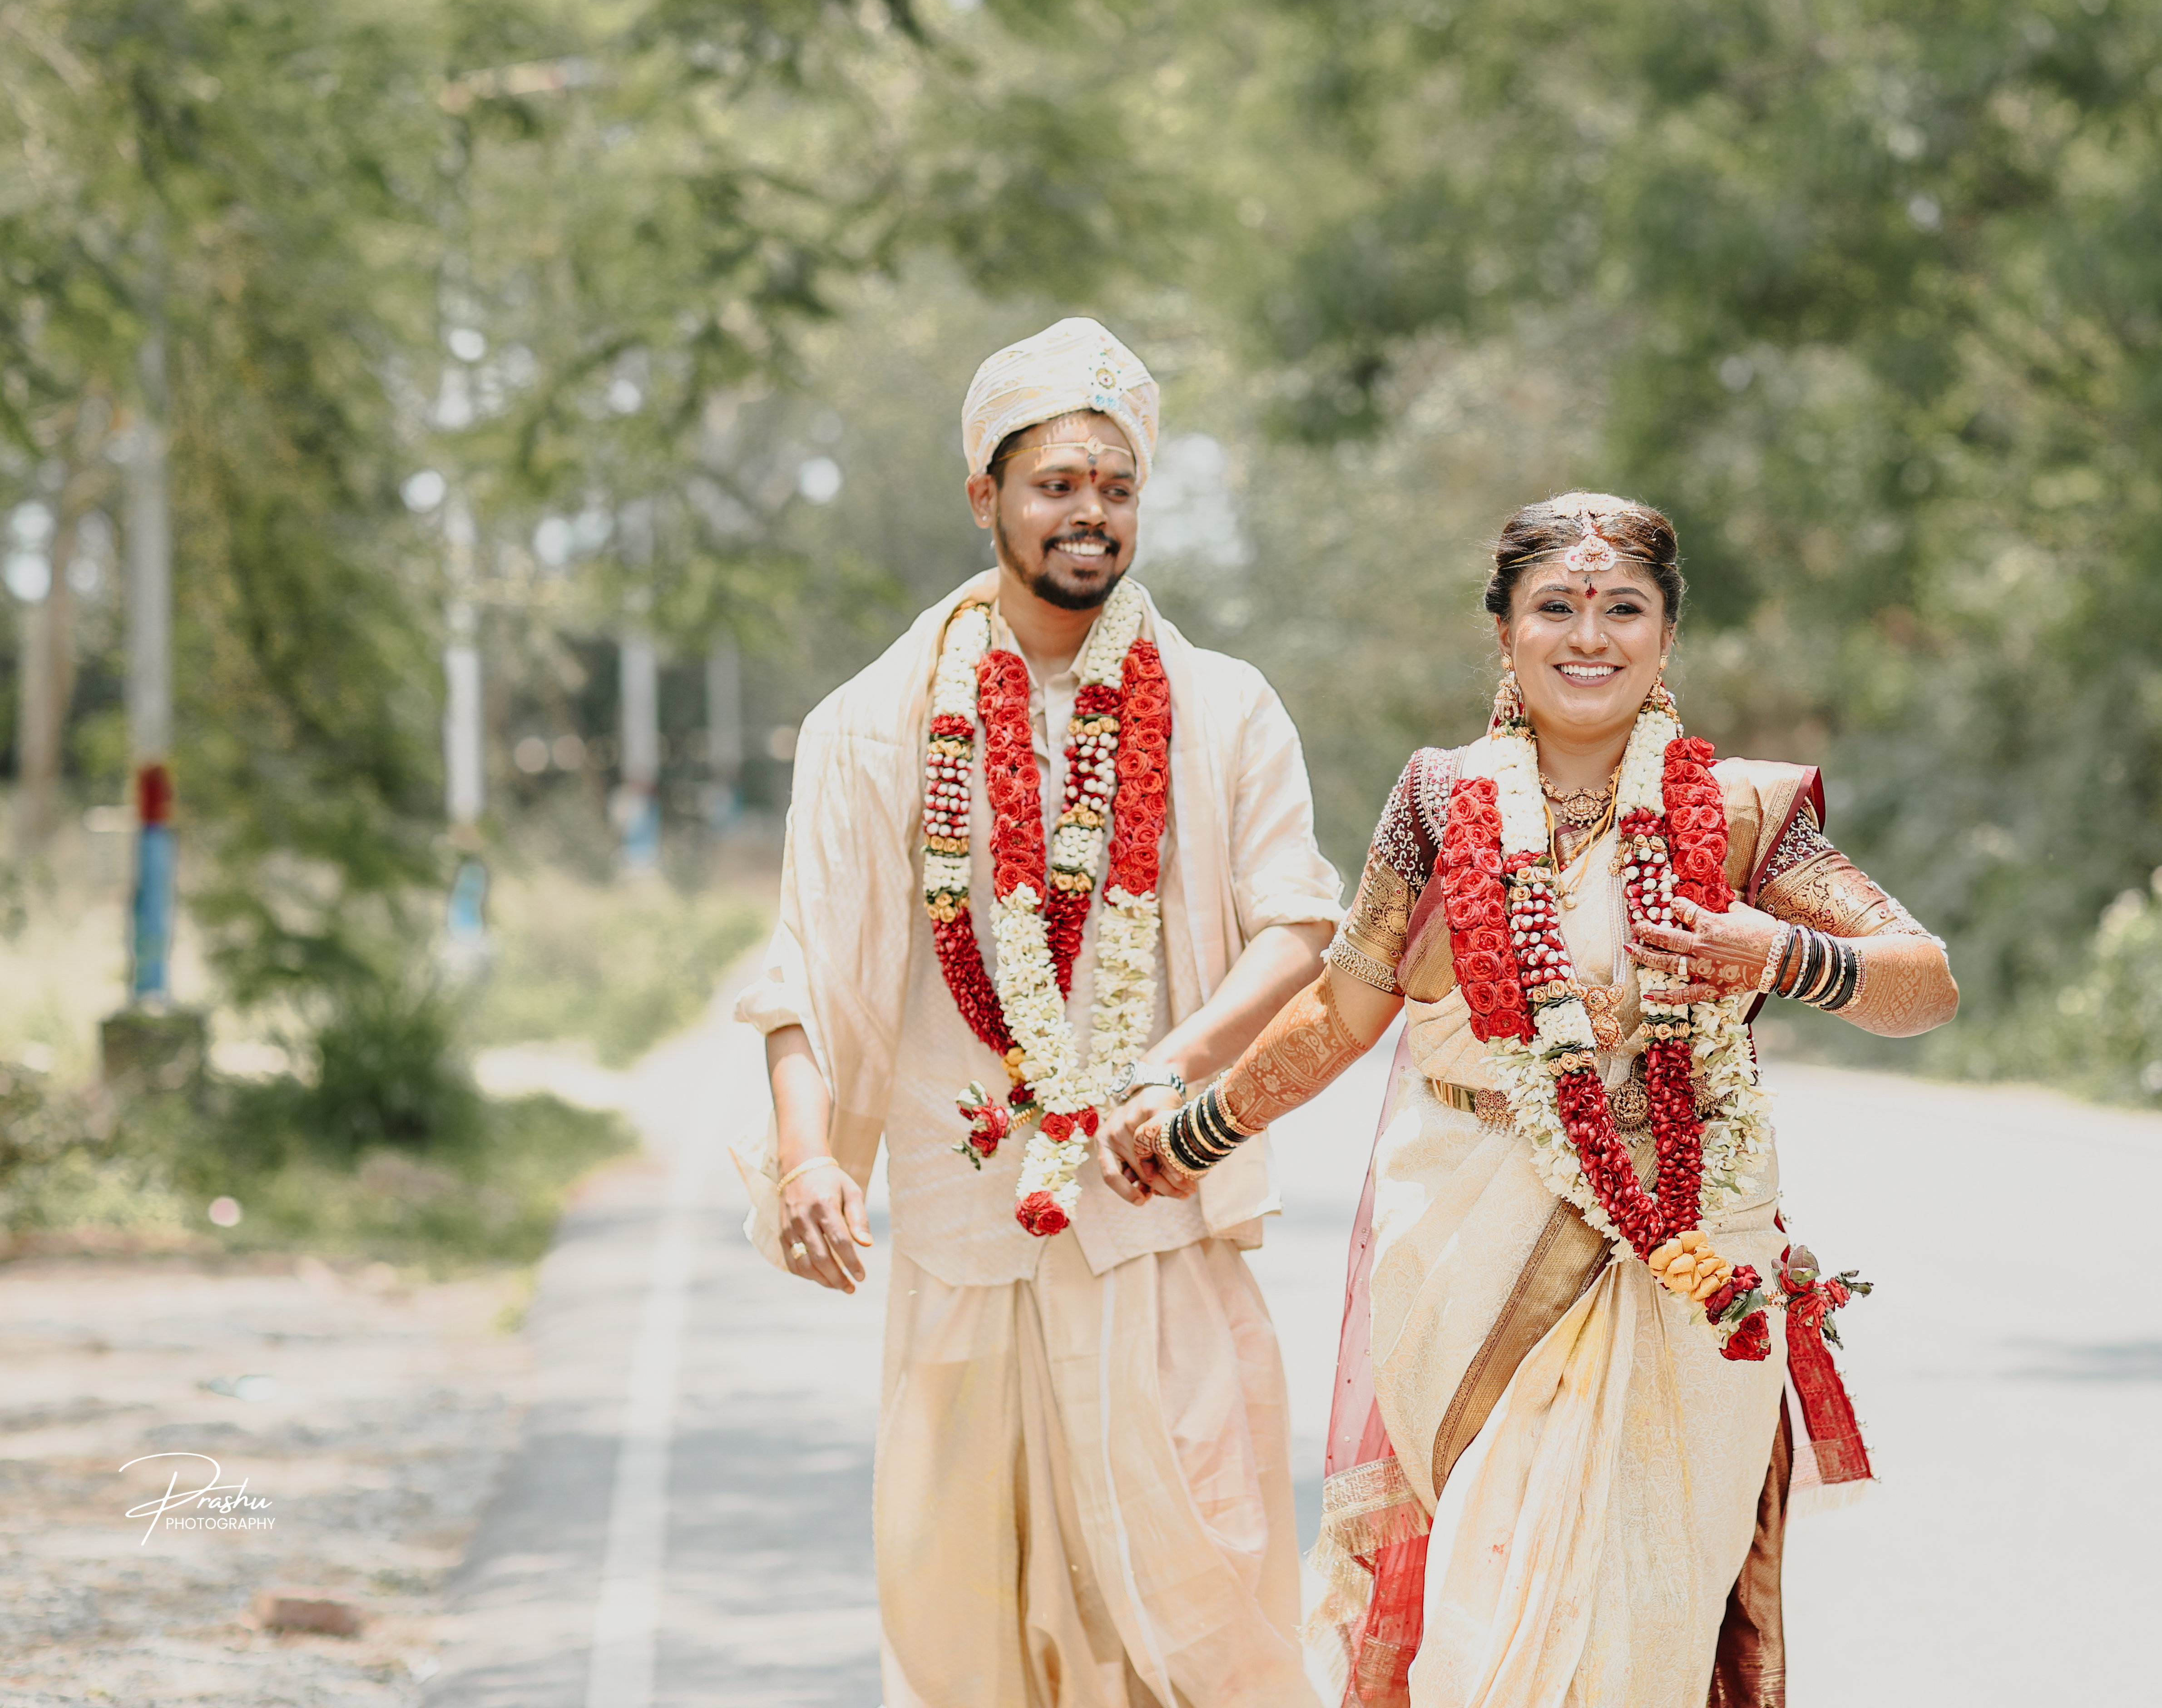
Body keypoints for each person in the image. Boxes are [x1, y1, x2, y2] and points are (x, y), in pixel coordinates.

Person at [1101, 492, 1959, 1708]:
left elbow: (1925, 981)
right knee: (1477, 1632)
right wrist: (1199, 1130)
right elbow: (1345, 1012)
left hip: (1689, 1261)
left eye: (1624, 608)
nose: (1589, 635)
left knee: (1640, 1631)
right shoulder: (1439, 804)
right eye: (1555, 607)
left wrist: (1778, 954)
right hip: (1464, 1249)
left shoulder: (1747, 815)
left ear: (1668, 638)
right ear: (1502, 632)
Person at [732, 317, 1342, 1708]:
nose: (1089, 515)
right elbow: (807, 962)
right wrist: (809, 1153)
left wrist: (1169, 1068)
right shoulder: (872, 724)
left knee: (1201, 1597)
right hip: (969, 1228)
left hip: (1159, 1216)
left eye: (1116, 488)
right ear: (986, 497)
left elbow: (1299, 925)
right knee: (972, 1613)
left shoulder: (1226, 708)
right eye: (1058, 483)